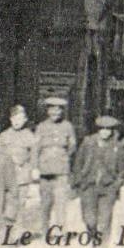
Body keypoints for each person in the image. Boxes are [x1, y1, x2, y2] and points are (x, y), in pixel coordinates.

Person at [71, 114, 124, 240]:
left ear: (112, 131)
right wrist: (78, 182)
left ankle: (102, 247)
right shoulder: (88, 143)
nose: (105, 132)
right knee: (89, 219)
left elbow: (122, 170)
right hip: (89, 186)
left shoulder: (117, 146)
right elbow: (78, 163)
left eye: (108, 129)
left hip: (108, 188)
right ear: (98, 129)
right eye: (102, 129)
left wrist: (116, 185)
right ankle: (93, 239)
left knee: (105, 220)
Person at [34, 94, 77, 233]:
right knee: (45, 203)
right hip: (45, 170)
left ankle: (60, 232)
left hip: (61, 170)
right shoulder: (41, 127)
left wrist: (64, 157)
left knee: (61, 203)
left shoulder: (67, 126)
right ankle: (44, 231)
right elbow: (35, 148)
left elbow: (72, 146)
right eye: (52, 110)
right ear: (47, 111)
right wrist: (35, 167)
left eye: (58, 110)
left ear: (62, 111)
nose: (55, 113)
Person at [0, 104, 39, 234]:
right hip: (6, 176)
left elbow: (34, 154)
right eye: (14, 118)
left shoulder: (29, 136)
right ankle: (5, 232)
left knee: (20, 204)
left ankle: (18, 232)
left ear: (25, 120)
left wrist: (33, 169)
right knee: (7, 204)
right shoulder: (4, 136)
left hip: (22, 175)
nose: (17, 121)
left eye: (20, 118)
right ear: (10, 119)